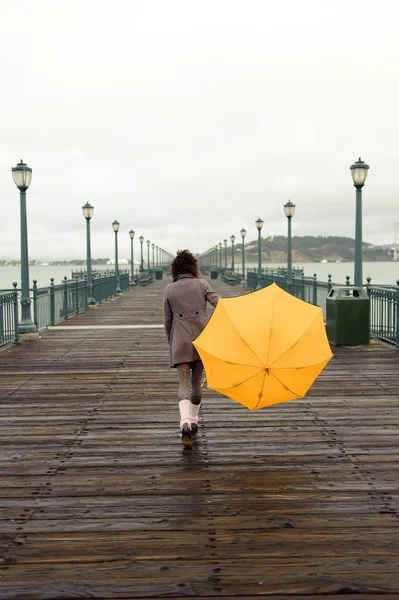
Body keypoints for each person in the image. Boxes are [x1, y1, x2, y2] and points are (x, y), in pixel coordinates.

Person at [163, 250, 219, 446]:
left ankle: (185, 421)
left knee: (183, 384)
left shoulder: (169, 289)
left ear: (175, 268)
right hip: (202, 339)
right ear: (193, 267)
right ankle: (194, 421)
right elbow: (219, 305)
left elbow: (167, 322)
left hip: (180, 340)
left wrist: (173, 343)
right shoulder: (202, 284)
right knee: (197, 383)